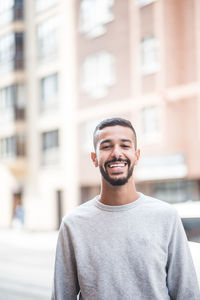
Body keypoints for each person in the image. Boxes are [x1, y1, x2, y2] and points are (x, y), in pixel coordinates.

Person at [52, 117, 200, 300]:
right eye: (106, 146)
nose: (116, 153)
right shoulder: (73, 224)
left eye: (125, 145)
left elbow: (187, 293)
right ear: (94, 158)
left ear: (136, 155)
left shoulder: (166, 217)